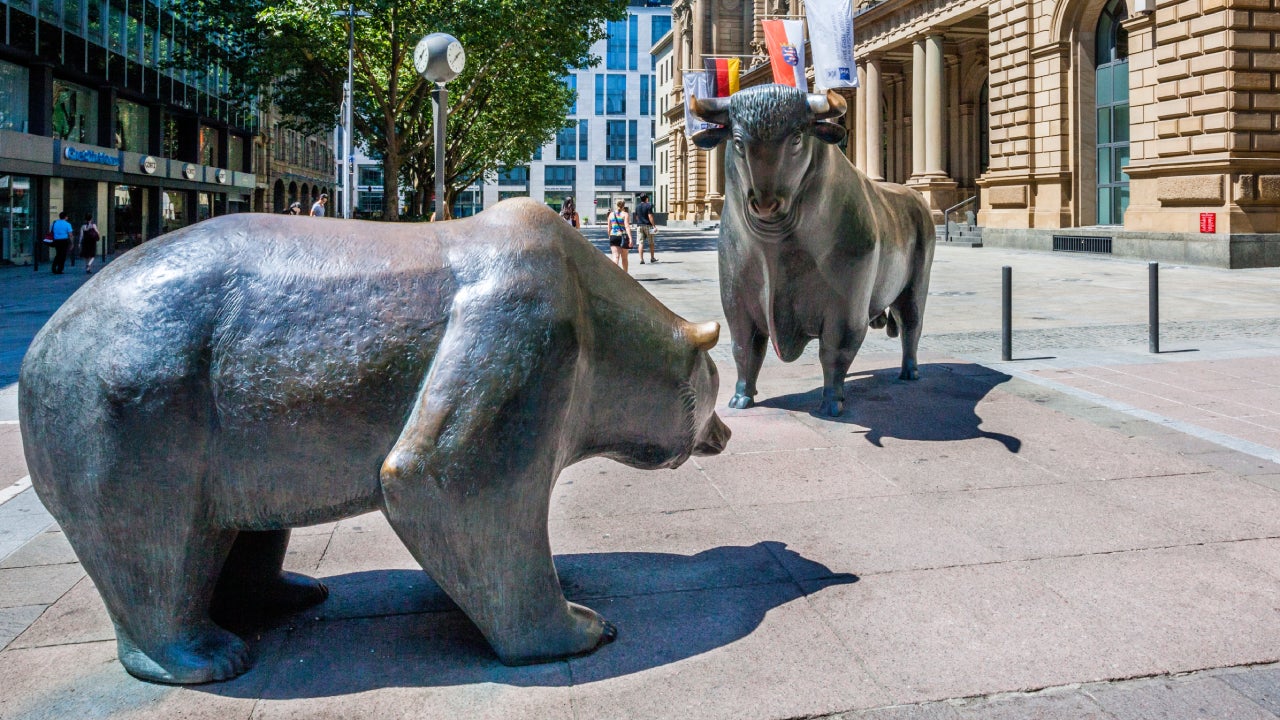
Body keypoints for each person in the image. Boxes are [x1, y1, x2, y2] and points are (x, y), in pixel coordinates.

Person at [606, 199, 632, 272]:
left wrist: (610, 236)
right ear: (623, 205)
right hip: (623, 237)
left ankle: (614, 274)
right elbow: (627, 226)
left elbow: (609, 228)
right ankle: (625, 275)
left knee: (615, 257)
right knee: (624, 258)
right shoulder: (625, 214)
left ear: (616, 205)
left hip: (613, 236)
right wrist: (630, 238)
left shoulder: (611, 214)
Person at [634, 193, 657, 264]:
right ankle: (652, 258)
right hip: (649, 226)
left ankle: (641, 259)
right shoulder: (648, 205)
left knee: (640, 243)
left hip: (639, 226)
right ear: (646, 198)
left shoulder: (637, 207)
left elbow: (636, 217)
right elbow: (650, 216)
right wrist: (654, 226)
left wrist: (640, 221)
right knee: (651, 242)